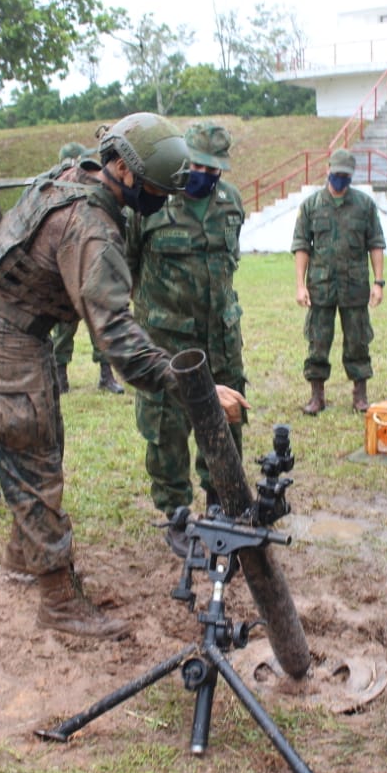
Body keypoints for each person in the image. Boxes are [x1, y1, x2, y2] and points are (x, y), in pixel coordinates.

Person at [0, 112, 248, 638]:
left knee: (36, 448)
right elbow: (117, 339)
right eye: (158, 190)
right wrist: (197, 388)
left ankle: (23, 557)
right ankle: (59, 601)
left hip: (13, 327)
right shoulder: (92, 228)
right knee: (34, 461)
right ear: (126, 171)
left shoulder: (78, 175)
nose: (161, 200)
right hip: (7, 337)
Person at [127, 121, 247, 536]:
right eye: (198, 166)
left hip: (222, 340)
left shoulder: (230, 202)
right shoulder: (150, 203)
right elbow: (128, 268)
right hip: (167, 343)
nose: (206, 176)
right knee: (167, 429)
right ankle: (175, 511)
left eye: (214, 169)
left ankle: (222, 500)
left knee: (225, 423)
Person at [293, 148, 386, 415]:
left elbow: (376, 244)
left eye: (345, 175)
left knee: (358, 341)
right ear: (327, 171)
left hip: (354, 286)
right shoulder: (311, 206)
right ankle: (317, 396)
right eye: (336, 174)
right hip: (321, 286)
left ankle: (360, 395)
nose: (340, 180)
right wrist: (300, 285)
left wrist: (379, 282)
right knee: (318, 342)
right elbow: (301, 246)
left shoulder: (364, 205)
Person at [47, 141, 124, 395]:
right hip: (67, 267)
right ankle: (60, 375)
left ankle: (106, 375)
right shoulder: (55, 192)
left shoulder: (93, 190)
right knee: (63, 328)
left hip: (92, 265)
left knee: (100, 324)